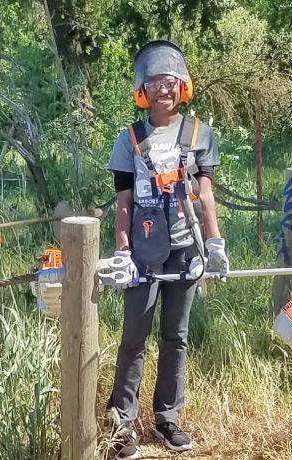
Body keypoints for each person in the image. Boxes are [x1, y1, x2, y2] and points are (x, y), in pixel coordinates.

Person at [101, 39, 227, 459]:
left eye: (171, 83)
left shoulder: (199, 134)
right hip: (142, 251)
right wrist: (122, 251)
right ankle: (121, 422)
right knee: (134, 337)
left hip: (186, 249)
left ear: (183, 86)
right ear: (143, 89)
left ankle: (167, 418)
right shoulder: (130, 139)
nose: (164, 91)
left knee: (176, 336)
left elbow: (206, 195)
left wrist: (214, 244)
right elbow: (123, 203)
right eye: (155, 83)